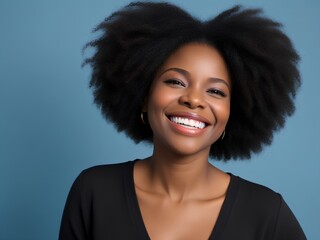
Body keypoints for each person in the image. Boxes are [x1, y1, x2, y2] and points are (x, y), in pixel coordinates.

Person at [59, 2, 306, 239]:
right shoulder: (94, 192)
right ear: (144, 96)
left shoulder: (265, 214)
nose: (194, 99)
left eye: (216, 91)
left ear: (233, 113)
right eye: (176, 82)